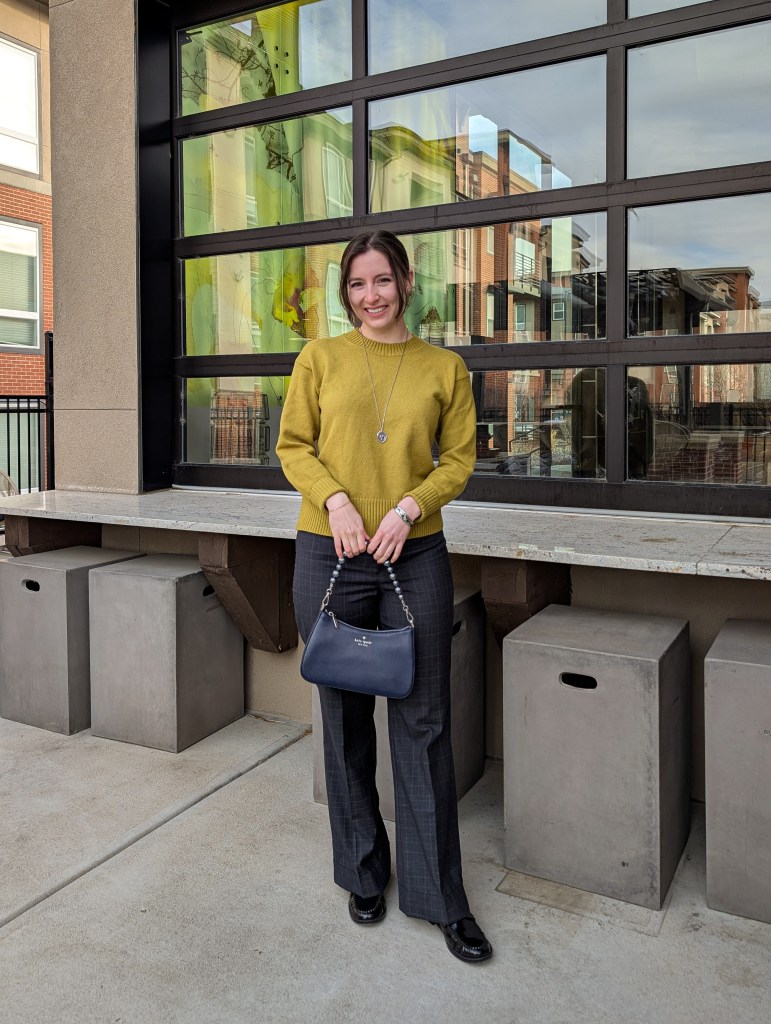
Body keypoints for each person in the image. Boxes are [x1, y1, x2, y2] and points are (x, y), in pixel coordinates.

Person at [276, 230, 492, 964]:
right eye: (356, 284)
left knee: (423, 720)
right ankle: (363, 873)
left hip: (414, 553)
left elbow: (458, 460)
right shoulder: (320, 358)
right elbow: (292, 446)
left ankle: (439, 897)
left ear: (404, 281)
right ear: (347, 293)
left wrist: (407, 508)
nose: (369, 296)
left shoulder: (444, 367)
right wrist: (335, 500)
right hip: (328, 554)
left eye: (381, 280)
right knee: (341, 719)